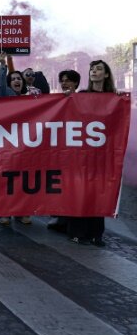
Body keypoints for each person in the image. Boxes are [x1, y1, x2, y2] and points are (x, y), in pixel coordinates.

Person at [67, 60, 115, 247]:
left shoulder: (113, 97)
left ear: (105, 74)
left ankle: (97, 234)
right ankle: (77, 232)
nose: (94, 71)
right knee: (81, 192)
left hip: (102, 155)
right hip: (82, 154)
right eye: (92, 69)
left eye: (98, 69)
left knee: (99, 193)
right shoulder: (82, 95)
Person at [0, 51, 32, 225]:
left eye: (19, 78)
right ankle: (4, 211)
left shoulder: (32, 99)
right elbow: (1, 87)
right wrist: (3, 66)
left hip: (26, 147)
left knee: (23, 180)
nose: (16, 80)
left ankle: (23, 210)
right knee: (6, 180)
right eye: (13, 79)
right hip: (7, 146)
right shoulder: (5, 96)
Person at [47, 69, 81, 233]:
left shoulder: (83, 100)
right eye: (62, 80)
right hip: (59, 151)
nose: (64, 83)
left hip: (77, 151)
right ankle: (59, 217)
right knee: (59, 185)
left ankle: (71, 218)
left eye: (68, 80)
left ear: (75, 83)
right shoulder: (55, 101)